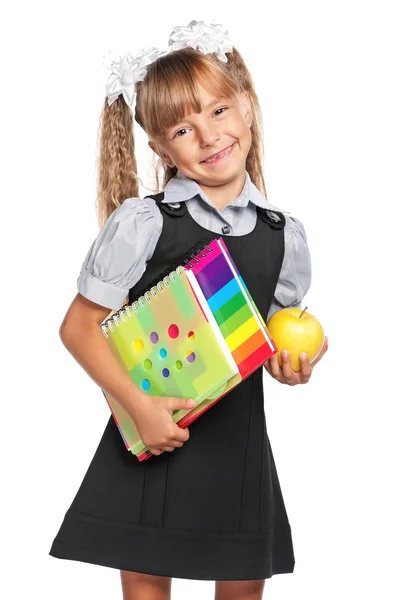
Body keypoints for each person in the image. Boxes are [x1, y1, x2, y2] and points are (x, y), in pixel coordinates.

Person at [49, 19, 328, 600]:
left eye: (218, 111)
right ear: (159, 147)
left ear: (246, 107)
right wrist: (141, 409)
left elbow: (268, 341)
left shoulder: (285, 235)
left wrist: (291, 363)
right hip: (153, 440)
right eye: (182, 126)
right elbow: (78, 328)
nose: (208, 135)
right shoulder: (145, 223)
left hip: (239, 453)